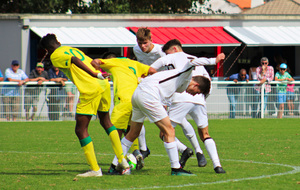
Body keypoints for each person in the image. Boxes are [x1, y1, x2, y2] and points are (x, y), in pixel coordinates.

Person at [114, 50, 225, 176]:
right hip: (148, 95)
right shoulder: (186, 71)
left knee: (133, 133)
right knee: (169, 131)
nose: (194, 95)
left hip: (138, 93)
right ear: (196, 85)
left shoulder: (180, 84)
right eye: (197, 92)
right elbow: (193, 61)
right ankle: (176, 168)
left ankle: (114, 165)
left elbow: (166, 90)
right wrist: (213, 60)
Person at [39, 33, 130, 177]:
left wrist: (94, 75)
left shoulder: (55, 56)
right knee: (106, 122)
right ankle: (122, 160)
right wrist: (99, 74)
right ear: (58, 41)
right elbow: (90, 61)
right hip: (103, 84)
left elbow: (74, 60)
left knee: (81, 130)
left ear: (47, 49)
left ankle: (95, 169)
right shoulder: (72, 48)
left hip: (90, 87)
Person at [151, 39, 226, 173]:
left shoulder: (171, 57)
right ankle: (217, 165)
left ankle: (184, 150)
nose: (167, 56)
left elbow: (151, 69)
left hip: (181, 97)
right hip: (200, 98)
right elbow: (207, 81)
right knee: (205, 134)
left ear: (174, 49)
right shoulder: (196, 59)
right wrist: (203, 98)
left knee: (164, 133)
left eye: (167, 53)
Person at [91, 52, 157, 174]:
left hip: (124, 101)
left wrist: (97, 72)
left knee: (115, 134)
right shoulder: (134, 63)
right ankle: (135, 153)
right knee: (132, 132)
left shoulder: (114, 62)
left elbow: (95, 61)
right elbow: (153, 71)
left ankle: (118, 165)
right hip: (139, 99)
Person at [132, 27, 166, 159]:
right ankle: (143, 148)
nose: (142, 46)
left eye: (145, 43)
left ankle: (193, 150)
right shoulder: (135, 49)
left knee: (165, 125)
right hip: (145, 86)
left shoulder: (161, 51)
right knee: (136, 116)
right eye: (140, 43)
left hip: (161, 87)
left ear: (151, 40)